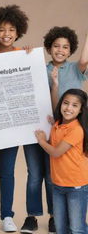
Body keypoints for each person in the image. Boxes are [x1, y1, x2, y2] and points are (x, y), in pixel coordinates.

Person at [0, 5, 50, 233]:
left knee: (8, 172)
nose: (6, 34)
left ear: (18, 31)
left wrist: (30, 58)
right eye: (2, 29)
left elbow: (35, 85)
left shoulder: (24, 54)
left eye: (11, 29)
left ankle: (7, 215)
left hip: (13, 126)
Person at [35, 89, 88, 234]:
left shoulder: (77, 130)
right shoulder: (57, 125)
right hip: (58, 185)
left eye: (74, 105)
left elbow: (56, 152)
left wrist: (41, 141)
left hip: (76, 187)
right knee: (60, 228)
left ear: (81, 110)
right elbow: (54, 145)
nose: (69, 108)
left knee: (77, 228)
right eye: (66, 103)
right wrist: (49, 133)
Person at [44, 26, 88, 110]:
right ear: (49, 49)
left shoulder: (75, 68)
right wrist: (27, 54)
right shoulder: (43, 70)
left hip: (78, 117)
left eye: (65, 47)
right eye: (56, 46)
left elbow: (83, 61)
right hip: (56, 117)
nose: (60, 50)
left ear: (70, 52)